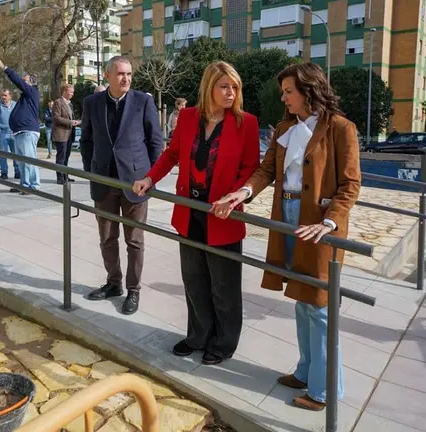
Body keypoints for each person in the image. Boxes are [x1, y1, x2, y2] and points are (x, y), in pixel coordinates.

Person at [212, 63, 361, 411]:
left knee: (320, 306)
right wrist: (243, 192)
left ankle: (324, 391)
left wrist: (330, 222)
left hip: (319, 225)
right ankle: (306, 371)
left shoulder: (341, 128)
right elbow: (266, 170)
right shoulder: (284, 128)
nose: (283, 98)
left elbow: (351, 184)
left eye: (288, 91)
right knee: (301, 299)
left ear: (309, 91)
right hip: (287, 218)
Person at [132, 61, 259, 365]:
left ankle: (224, 343)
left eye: (235, 87)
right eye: (224, 86)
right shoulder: (188, 117)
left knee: (224, 284)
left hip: (223, 214)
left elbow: (250, 168)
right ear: (209, 87)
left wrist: (235, 195)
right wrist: (150, 178)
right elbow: (172, 154)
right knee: (194, 279)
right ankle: (198, 335)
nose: (231, 92)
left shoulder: (246, 122)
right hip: (190, 211)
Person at [80, 56, 164, 315]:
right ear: (107, 76)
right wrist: (92, 171)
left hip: (136, 184)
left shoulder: (143, 101)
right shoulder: (92, 103)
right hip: (104, 182)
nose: (126, 78)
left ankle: (134, 289)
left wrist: (150, 177)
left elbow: (155, 141)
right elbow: (86, 141)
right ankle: (113, 283)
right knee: (107, 238)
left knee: (134, 240)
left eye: (128, 74)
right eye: (120, 74)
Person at [0, 57, 42, 194]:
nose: (22, 84)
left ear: (31, 83)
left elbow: (17, 81)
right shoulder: (25, 97)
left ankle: (33, 186)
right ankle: (24, 184)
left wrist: (5, 68)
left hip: (27, 131)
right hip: (20, 132)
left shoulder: (32, 92)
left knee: (28, 160)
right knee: (22, 161)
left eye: (25, 81)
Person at [52, 84, 81, 184]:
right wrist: (70, 122)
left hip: (69, 134)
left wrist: (75, 122)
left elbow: (70, 117)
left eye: (73, 92)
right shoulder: (58, 102)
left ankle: (65, 176)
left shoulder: (70, 104)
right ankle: (60, 178)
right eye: (71, 92)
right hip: (61, 134)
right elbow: (56, 118)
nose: (72, 94)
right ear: (64, 91)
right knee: (61, 157)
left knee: (66, 156)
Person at [0, 89, 20, 182]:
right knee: (3, 154)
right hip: (3, 133)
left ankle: (18, 172)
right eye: (2, 95)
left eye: (5, 95)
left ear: (10, 96)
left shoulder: (16, 105)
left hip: (14, 133)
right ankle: (4, 173)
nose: (3, 97)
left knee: (16, 154)